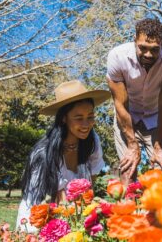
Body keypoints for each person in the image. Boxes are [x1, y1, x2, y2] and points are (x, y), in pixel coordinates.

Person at [16, 80, 110, 232]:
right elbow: (59, 199)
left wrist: (88, 212)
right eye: (79, 118)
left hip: (72, 213)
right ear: (63, 118)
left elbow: (90, 184)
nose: (86, 124)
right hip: (39, 216)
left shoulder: (92, 141)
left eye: (90, 116)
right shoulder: (45, 151)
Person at [106, 18, 162, 184]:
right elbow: (120, 104)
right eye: (143, 48)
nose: (148, 54)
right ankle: (129, 207)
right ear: (135, 40)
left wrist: (159, 147)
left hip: (156, 116)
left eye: (155, 49)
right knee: (128, 169)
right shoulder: (117, 56)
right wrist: (132, 145)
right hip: (127, 114)